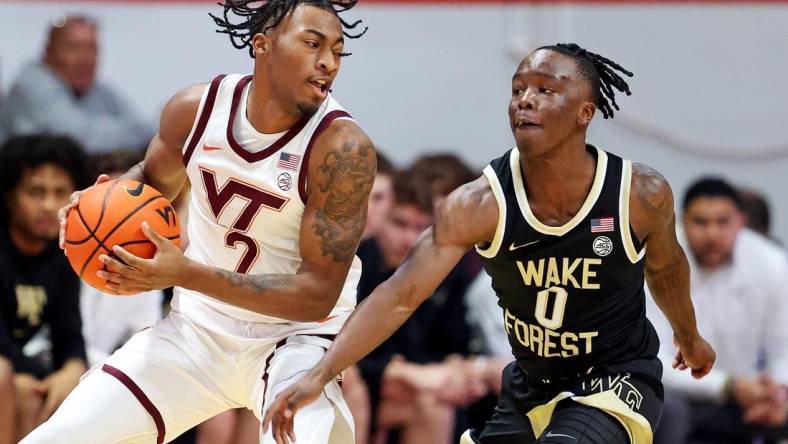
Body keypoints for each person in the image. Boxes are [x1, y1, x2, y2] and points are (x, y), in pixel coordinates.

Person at [263, 43, 717, 444]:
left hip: (616, 380)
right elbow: (399, 296)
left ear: (585, 113)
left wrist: (688, 336)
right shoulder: (478, 204)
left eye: (545, 90)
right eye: (519, 89)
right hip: (530, 385)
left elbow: (666, 268)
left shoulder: (638, 194)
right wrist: (320, 373)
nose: (526, 101)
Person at [23, 1, 374, 443]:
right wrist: (96, 205)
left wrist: (187, 274)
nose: (328, 63)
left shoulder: (342, 149)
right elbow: (149, 185)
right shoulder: (196, 111)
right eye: (312, 44)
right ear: (261, 44)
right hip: (197, 332)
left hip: (297, 344)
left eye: (338, 52)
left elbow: (316, 297)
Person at [650, 178, 788, 444]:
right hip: (675, 396)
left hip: (745, 396)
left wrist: (777, 394)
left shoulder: (772, 263)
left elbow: (783, 349)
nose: (712, 234)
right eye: (701, 222)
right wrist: (729, 386)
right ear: (681, 221)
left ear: (740, 221)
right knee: (668, 411)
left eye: (722, 222)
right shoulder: (654, 258)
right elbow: (655, 361)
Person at [0, 135, 89, 442]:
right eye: (35, 192)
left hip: (19, 368)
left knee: (74, 388)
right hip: (7, 368)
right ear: (9, 196)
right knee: (8, 380)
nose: (50, 205)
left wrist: (71, 371)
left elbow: (70, 334)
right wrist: (46, 378)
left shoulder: (62, 253)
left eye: (60, 192)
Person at [0, 15, 151, 151]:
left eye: (92, 49)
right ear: (48, 51)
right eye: (74, 48)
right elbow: (82, 139)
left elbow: (142, 127)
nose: (85, 59)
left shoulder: (99, 90)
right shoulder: (31, 84)